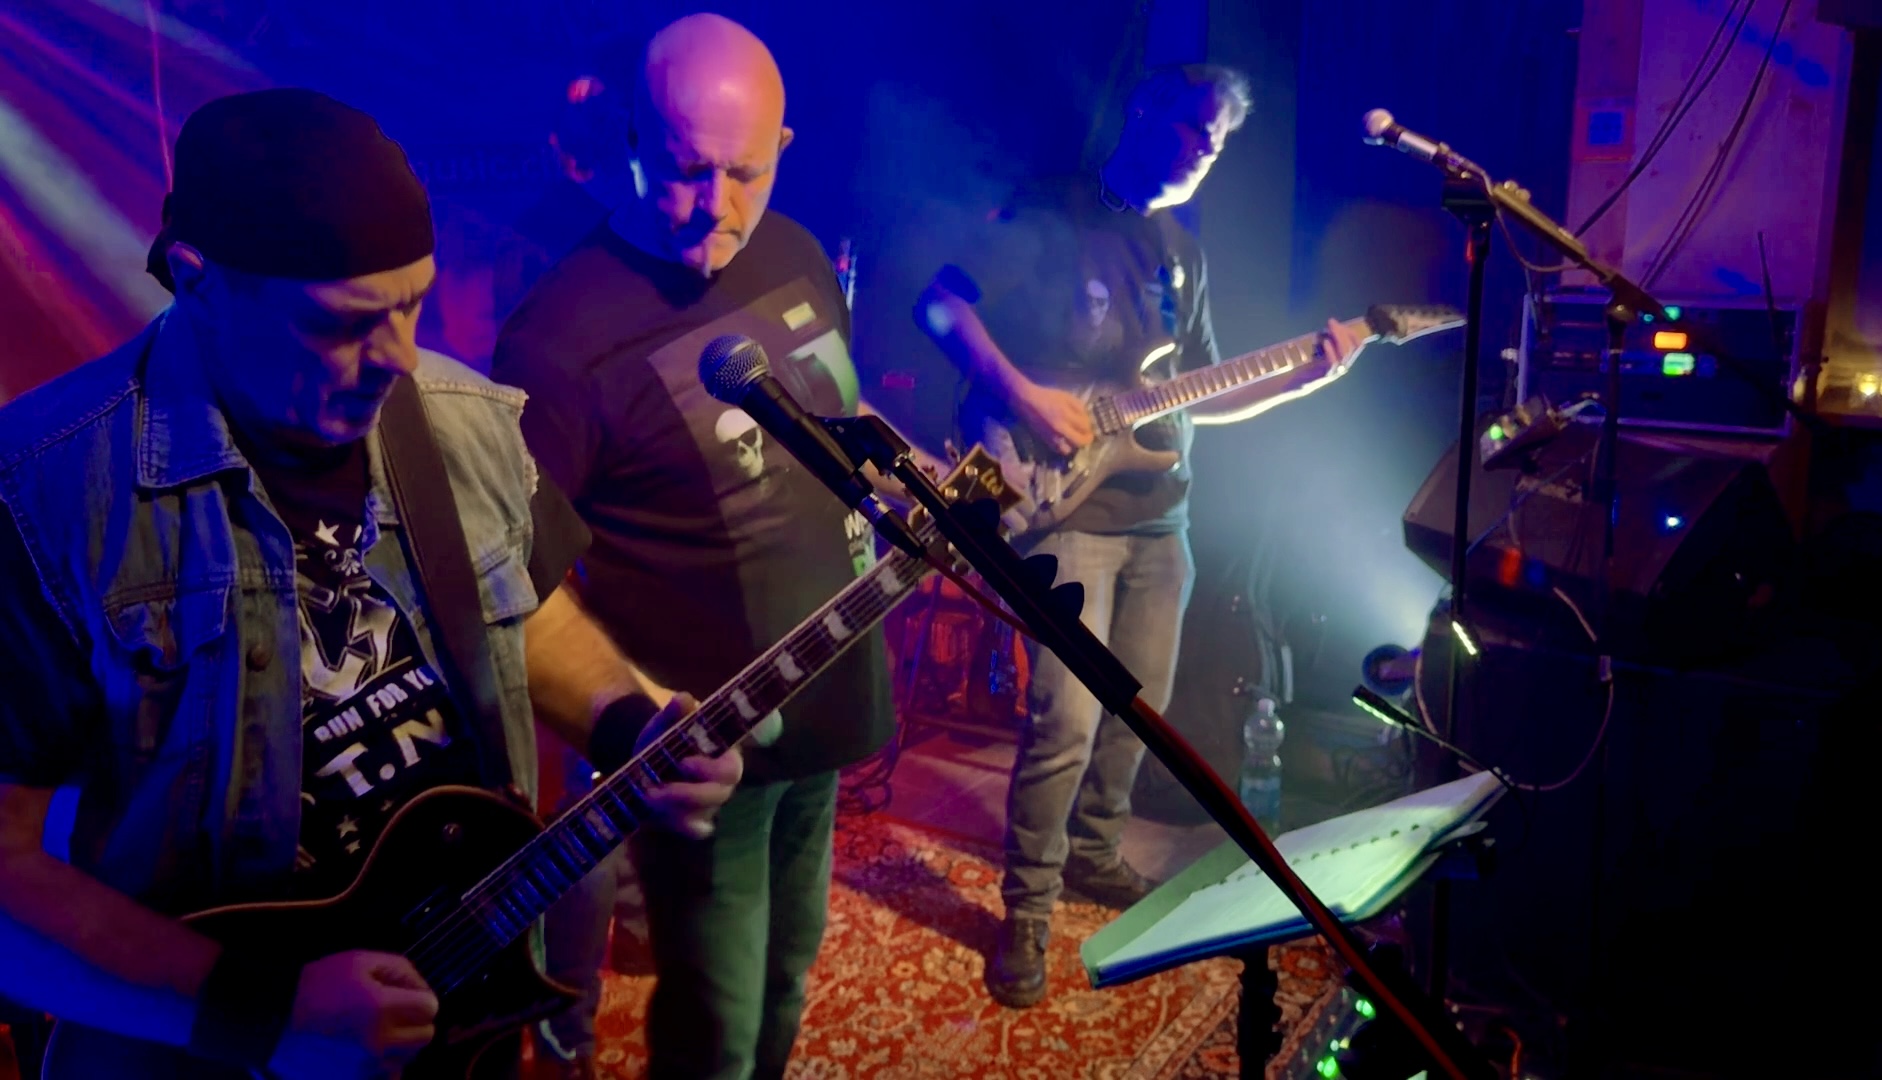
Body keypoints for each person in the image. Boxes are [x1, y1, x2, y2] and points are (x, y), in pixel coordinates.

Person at [0, 88, 741, 1080]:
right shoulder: (44, 493)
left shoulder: (462, 419)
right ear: (199, 282)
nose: (397, 359)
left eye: (413, 304)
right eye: (342, 323)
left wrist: (629, 722)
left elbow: (524, 615)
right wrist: (263, 1015)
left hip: (459, 996)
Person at [492, 15, 909, 1080]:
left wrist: (908, 479)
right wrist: (625, 715)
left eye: (744, 173)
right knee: (715, 1026)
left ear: (784, 150)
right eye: (683, 170)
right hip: (703, 745)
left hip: (827, 692)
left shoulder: (799, 251)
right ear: (631, 137)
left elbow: (841, 426)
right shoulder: (561, 335)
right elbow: (512, 576)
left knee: (789, 977)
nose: (712, 207)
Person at [914, 63, 1366, 1008]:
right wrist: (1024, 394)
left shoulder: (1182, 254)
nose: (1205, 150)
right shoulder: (1055, 207)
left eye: (1220, 140)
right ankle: (1027, 911)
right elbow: (942, 307)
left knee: (1140, 711)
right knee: (1066, 721)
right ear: (1147, 112)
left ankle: (1093, 853)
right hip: (1064, 508)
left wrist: (1304, 380)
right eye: (1195, 126)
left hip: (1162, 519)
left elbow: (1201, 392)